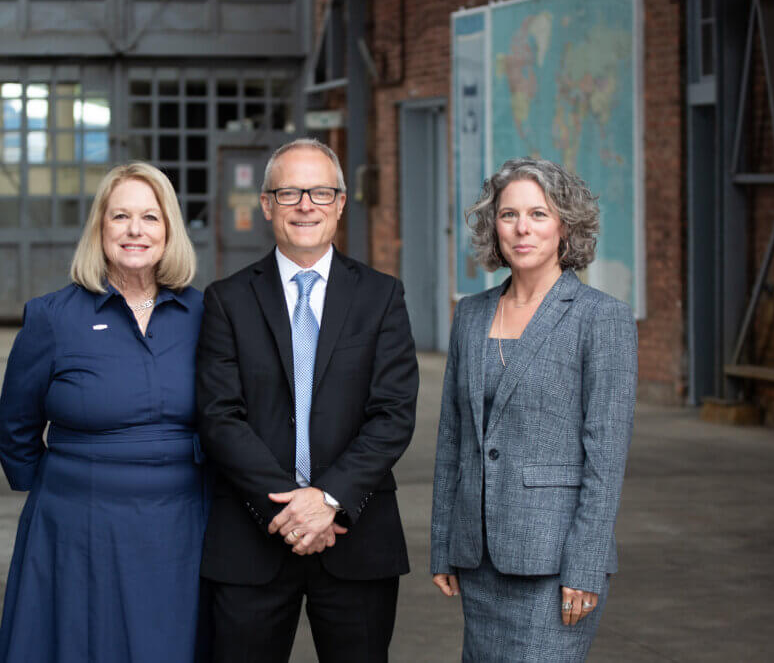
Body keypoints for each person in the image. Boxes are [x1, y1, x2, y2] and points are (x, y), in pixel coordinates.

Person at [196, 138, 419, 663]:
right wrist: (293, 511)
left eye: (320, 192)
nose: (305, 206)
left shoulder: (382, 296)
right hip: (252, 538)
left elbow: (393, 413)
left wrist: (327, 500)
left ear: (341, 203)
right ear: (267, 204)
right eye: (290, 192)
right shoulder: (227, 299)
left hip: (355, 537)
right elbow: (219, 416)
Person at [0, 162, 208, 662]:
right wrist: (63, 490)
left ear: (170, 231)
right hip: (76, 530)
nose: (136, 230)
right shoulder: (52, 317)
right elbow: (15, 428)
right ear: (99, 229)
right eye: (121, 217)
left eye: (151, 218)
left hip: (180, 531)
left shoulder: (206, 315)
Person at [430, 157, 638, 662]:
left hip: (554, 565)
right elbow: (453, 439)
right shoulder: (471, 314)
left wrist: (585, 566)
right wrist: (443, 543)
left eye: (538, 214)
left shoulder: (600, 318)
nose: (522, 228)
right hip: (478, 559)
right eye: (508, 214)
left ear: (565, 224)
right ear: (493, 225)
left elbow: (605, 458)